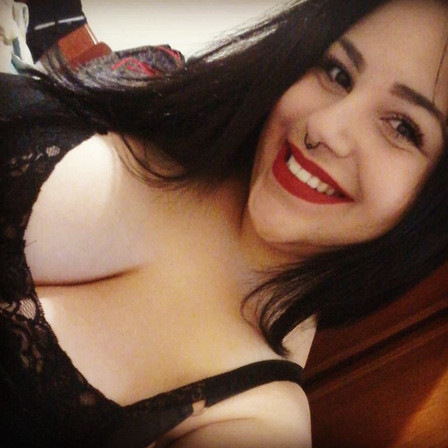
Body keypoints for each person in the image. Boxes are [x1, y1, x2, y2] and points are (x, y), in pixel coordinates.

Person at [1, 0, 448, 446]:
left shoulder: (256, 423)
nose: (324, 128)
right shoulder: (164, 84)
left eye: (402, 128)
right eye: (338, 73)